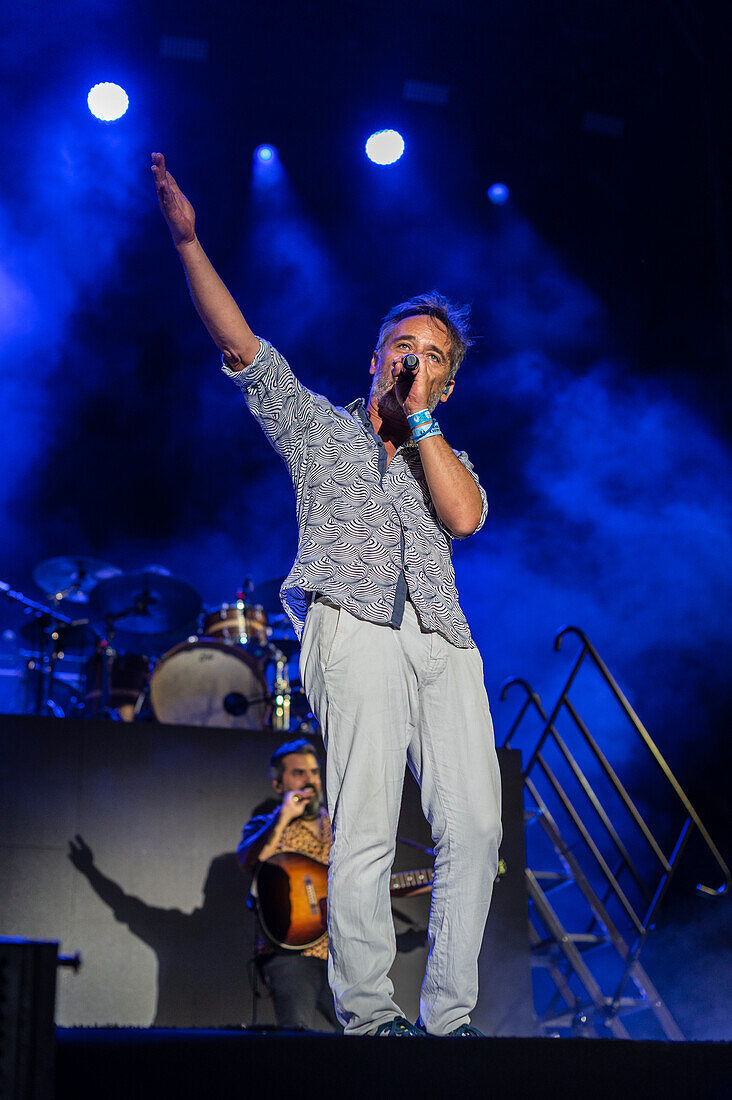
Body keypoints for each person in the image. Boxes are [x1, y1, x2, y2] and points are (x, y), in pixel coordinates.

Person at [152, 151, 502, 1037]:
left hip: (443, 640)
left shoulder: (446, 456)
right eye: (403, 349)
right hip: (353, 627)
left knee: (477, 832)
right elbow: (243, 348)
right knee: (369, 821)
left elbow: (464, 521)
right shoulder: (321, 431)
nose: (414, 364)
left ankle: (451, 1020)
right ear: (375, 356)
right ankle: (369, 1014)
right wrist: (191, 244)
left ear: (446, 384)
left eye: (433, 359)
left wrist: (424, 425)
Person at [237, 738, 338, 1031]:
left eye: (314, 772)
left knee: (362, 1034)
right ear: (279, 784)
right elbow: (248, 861)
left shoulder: (338, 825)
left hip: (339, 952)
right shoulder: (263, 825)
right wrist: (282, 818)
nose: (310, 781)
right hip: (291, 953)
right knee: (296, 1035)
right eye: (299, 773)